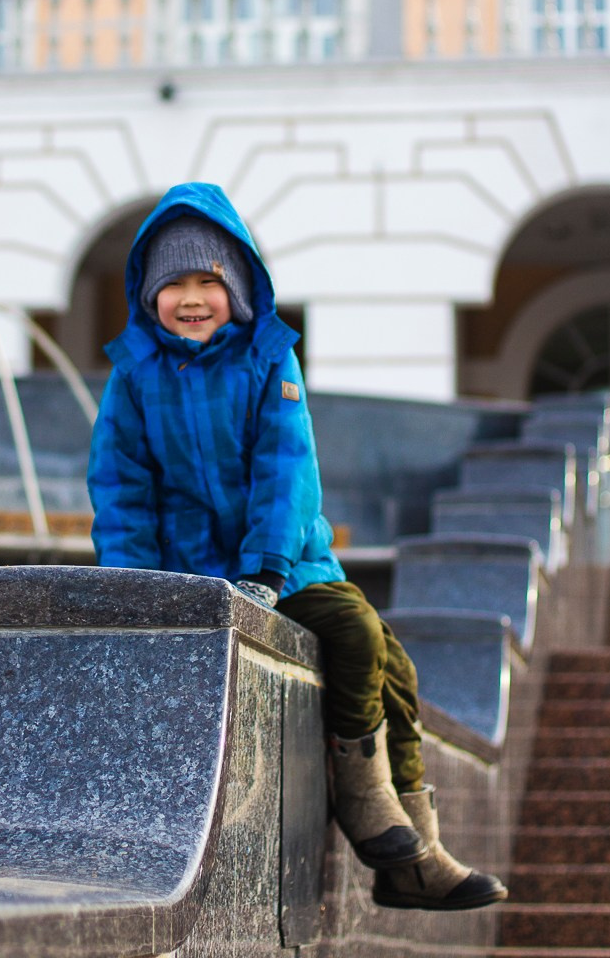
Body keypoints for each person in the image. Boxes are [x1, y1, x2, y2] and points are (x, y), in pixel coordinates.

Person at [87, 181, 507, 912]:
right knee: (360, 638)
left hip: (281, 564)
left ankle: (397, 828)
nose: (191, 298)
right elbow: (121, 489)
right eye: (173, 284)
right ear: (146, 293)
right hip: (189, 571)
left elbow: (285, 473)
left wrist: (265, 571)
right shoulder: (132, 376)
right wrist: (136, 584)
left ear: (239, 287)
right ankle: (390, 834)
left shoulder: (267, 361)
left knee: (370, 644)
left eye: (207, 282)